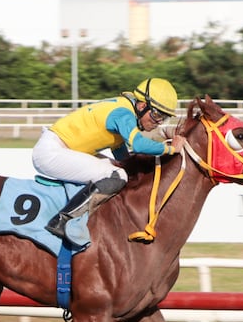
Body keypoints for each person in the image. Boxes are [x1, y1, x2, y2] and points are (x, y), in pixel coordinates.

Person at [32, 77, 186, 244]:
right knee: (118, 176)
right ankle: (63, 221)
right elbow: (138, 144)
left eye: (164, 118)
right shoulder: (123, 113)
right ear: (142, 106)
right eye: (156, 115)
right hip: (52, 152)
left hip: (63, 148)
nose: (158, 122)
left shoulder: (125, 108)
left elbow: (122, 156)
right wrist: (171, 149)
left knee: (118, 170)